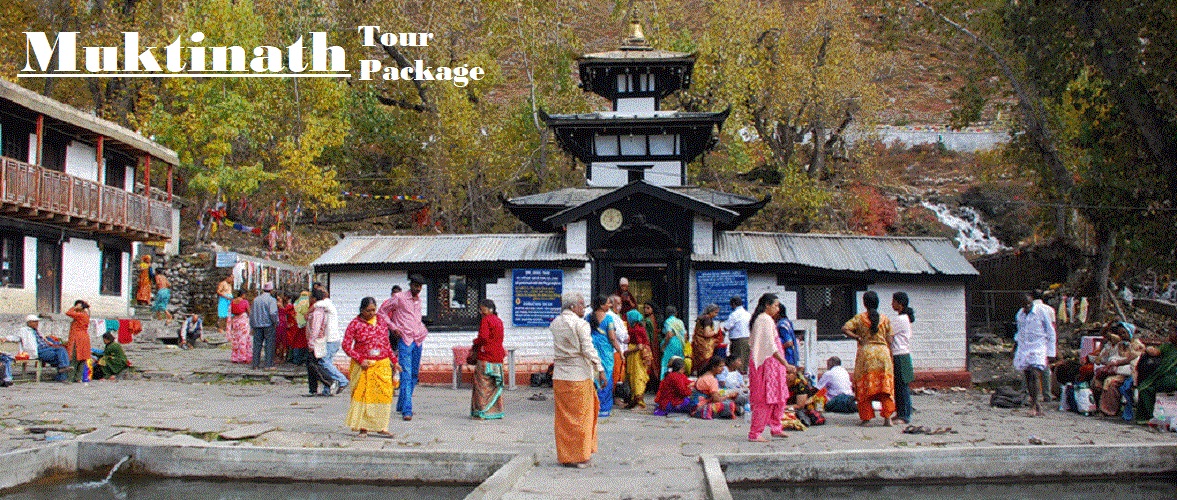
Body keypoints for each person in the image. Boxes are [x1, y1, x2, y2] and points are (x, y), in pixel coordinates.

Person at [549, 292, 606, 468]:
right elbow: (588, 349)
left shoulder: (555, 323)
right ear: (573, 307)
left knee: (564, 419)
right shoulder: (580, 324)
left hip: (560, 376)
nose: (584, 308)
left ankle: (566, 456)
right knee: (581, 418)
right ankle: (580, 456)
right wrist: (600, 368)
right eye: (581, 305)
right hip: (578, 376)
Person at [342, 297, 398, 437]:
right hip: (364, 366)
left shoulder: (380, 321)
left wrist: (394, 361)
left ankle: (381, 426)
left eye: (374, 310)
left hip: (382, 364)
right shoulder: (354, 324)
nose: (372, 313)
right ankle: (363, 427)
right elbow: (346, 346)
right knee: (365, 396)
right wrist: (360, 359)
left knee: (383, 396)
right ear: (361, 310)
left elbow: (386, 343)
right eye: (368, 311)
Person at [843, 291, 895, 426]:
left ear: (864, 304)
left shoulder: (859, 318)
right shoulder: (885, 319)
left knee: (864, 386)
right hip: (883, 354)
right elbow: (890, 338)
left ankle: (866, 417)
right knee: (885, 387)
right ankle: (887, 418)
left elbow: (845, 328)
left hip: (866, 355)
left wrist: (858, 337)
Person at [381, 275, 428, 421]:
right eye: (415, 285)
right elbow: (382, 312)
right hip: (405, 340)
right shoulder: (399, 297)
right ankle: (407, 409)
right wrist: (393, 327)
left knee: (414, 374)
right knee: (406, 374)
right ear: (411, 285)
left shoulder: (418, 301)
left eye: (420, 287)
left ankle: (401, 404)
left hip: (418, 339)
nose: (417, 289)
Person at [747, 293, 791, 441]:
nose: (777, 309)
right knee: (764, 399)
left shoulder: (767, 320)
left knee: (779, 397)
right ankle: (755, 433)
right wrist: (785, 363)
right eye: (775, 305)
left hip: (774, 366)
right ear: (767, 305)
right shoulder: (764, 320)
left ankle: (776, 427)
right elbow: (770, 347)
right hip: (767, 365)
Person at [1013, 290, 1056, 417]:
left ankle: (1034, 403)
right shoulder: (1020, 315)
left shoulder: (1041, 311)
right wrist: (1015, 347)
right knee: (1027, 376)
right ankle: (1036, 403)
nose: (1027, 307)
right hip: (1025, 347)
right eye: (1024, 305)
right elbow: (1020, 332)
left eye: (1029, 304)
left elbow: (1050, 331)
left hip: (1039, 346)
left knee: (1034, 373)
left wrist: (1051, 351)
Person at [470, 299, 506, 420]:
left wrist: (475, 342)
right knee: (494, 385)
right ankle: (496, 411)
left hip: (485, 357)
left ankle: (483, 411)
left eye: (482, 308)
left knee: (482, 386)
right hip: (498, 358)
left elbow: (483, 337)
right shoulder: (499, 321)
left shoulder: (486, 320)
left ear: (489, 309)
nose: (481, 311)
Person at [6, 315, 69, 382]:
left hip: (47, 349)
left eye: (37, 322)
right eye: (34, 322)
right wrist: (6, 338)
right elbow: (16, 337)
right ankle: (63, 371)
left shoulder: (37, 331)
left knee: (60, 356)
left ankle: (62, 374)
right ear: (29, 323)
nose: (37, 323)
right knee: (61, 352)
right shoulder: (24, 330)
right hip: (38, 351)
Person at [589, 295, 623, 417]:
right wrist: (620, 351)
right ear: (602, 305)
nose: (610, 305)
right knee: (606, 376)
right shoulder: (608, 319)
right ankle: (603, 408)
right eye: (608, 303)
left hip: (593, 349)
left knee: (594, 376)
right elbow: (613, 338)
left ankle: (593, 407)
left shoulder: (589, 317)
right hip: (605, 351)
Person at [1134, 327, 1177, 424]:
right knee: (1145, 388)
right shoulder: (1168, 347)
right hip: (1163, 375)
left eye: (1173, 333)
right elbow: (1155, 352)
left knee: (1153, 386)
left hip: (1173, 377)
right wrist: (1148, 349)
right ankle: (1146, 418)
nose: (1170, 335)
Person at [304, 288, 339, 396]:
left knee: (313, 364)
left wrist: (311, 343)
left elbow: (316, 329)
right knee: (311, 364)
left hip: (316, 341)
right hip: (315, 340)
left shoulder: (318, 312)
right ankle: (313, 389)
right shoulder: (317, 311)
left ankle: (329, 381)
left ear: (314, 299)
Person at [891, 292, 916, 424]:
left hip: (899, 354)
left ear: (899, 304)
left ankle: (904, 415)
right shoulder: (904, 318)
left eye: (894, 301)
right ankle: (901, 412)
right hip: (903, 354)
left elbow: (889, 333)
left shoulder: (900, 319)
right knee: (900, 385)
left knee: (902, 386)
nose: (892, 304)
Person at [623, 309, 652, 410]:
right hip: (636, 356)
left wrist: (627, 352)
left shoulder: (637, 329)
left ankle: (640, 402)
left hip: (637, 356)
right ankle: (634, 400)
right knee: (634, 377)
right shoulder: (639, 327)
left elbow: (639, 346)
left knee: (637, 377)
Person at [249, 282, 280, 370]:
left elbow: (252, 314)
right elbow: (273, 313)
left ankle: (255, 364)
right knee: (269, 344)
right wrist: (276, 322)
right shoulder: (271, 300)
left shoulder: (256, 300)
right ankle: (268, 364)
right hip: (268, 324)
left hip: (257, 325)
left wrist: (251, 325)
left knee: (257, 344)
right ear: (271, 290)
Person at [65, 300, 92, 383]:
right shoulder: (85, 315)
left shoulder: (80, 315)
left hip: (78, 338)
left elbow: (68, 313)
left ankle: (70, 378)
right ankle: (78, 378)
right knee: (82, 359)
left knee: (74, 357)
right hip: (84, 337)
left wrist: (75, 307)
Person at [692, 304, 721, 376]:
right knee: (705, 361)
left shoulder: (701, 318)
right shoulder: (707, 319)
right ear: (710, 312)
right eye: (715, 313)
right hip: (704, 345)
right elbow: (707, 334)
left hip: (698, 343)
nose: (716, 315)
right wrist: (715, 331)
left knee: (698, 362)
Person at [660, 306, 686, 378]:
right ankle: (679, 379)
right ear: (676, 313)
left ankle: (666, 381)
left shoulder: (668, 321)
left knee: (667, 363)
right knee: (678, 363)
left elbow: (669, 334)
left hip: (670, 345)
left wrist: (664, 346)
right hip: (680, 344)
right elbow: (685, 334)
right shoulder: (680, 322)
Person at [228, 290, 252, 364]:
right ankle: (243, 356)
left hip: (235, 321)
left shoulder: (233, 302)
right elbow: (249, 311)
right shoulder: (245, 302)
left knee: (236, 339)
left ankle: (235, 357)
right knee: (243, 339)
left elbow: (231, 311)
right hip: (243, 321)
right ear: (243, 295)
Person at [641, 303, 662, 382]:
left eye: (648, 308)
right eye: (644, 308)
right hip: (654, 343)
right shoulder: (651, 319)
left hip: (652, 343)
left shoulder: (648, 320)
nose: (645, 310)